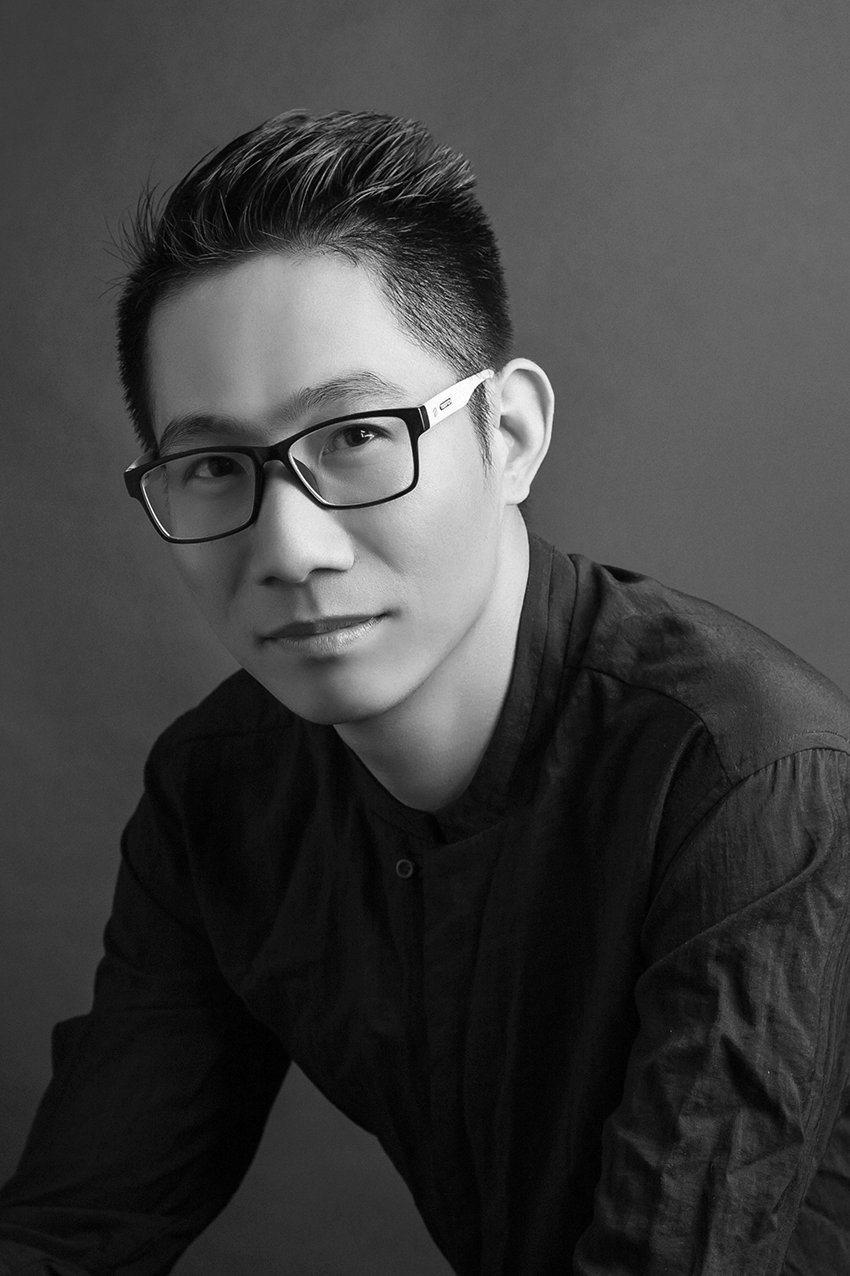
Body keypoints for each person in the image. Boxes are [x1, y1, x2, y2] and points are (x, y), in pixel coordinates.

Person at [1, 108, 849, 1276]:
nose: (289, 547)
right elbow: (76, 1226)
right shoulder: (220, 790)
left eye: (356, 434)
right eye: (212, 467)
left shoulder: (746, 776)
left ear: (511, 433)